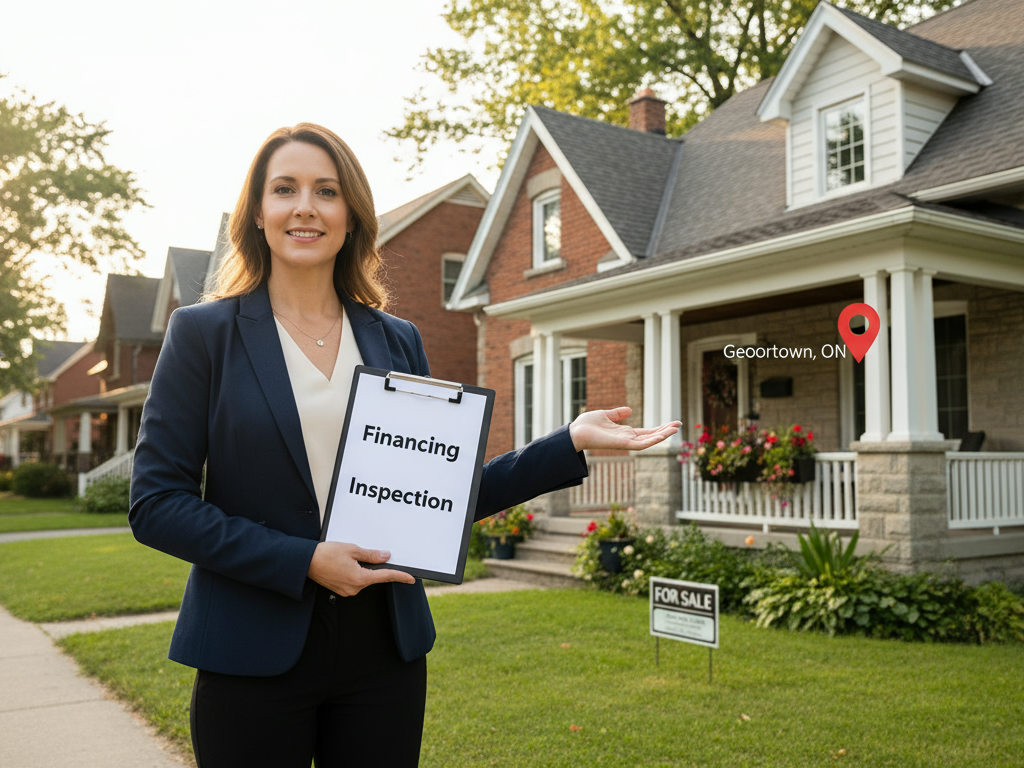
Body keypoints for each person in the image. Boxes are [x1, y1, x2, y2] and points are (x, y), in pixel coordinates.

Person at [128, 122, 680, 768]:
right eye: (285, 189)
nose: (305, 206)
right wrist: (304, 558)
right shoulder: (203, 334)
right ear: (257, 212)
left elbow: (433, 497)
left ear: (351, 215)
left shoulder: (396, 340)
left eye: (326, 191)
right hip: (250, 649)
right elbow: (157, 504)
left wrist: (567, 443)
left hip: (382, 654)